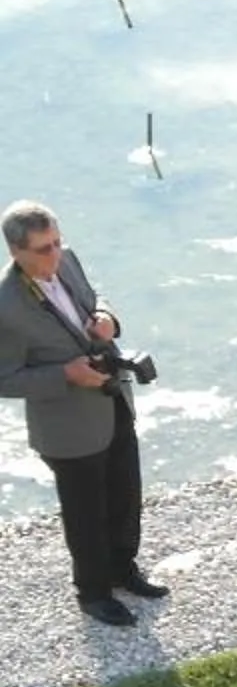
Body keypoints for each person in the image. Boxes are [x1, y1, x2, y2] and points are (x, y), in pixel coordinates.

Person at [1, 202, 161, 628]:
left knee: (125, 492)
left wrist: (107, 316)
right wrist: (65, 374)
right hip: (67, 428)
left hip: (112, 399)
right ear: (16, 252)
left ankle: (124, 569)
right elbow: (5, 378)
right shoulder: (5, 305)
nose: (54, 256)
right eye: (42, 250)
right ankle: (93, 593)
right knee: (85, 513)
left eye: (56, 242)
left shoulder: (67, 259)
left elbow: (95, 297)